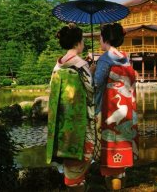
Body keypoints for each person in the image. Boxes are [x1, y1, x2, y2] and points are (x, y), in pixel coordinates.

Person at [46, 23, 97, 192]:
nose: (83, 43)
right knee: (81, 158)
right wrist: (92, 71)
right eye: (82, 40)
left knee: (68, 158)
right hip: (80, 120)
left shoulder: (57, 66)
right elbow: (91, 93)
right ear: (77, 43)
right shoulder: (81, 65)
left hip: (62, 121)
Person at [93, 23, 138, 190]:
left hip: (108, 111)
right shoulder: (125, 58)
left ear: (105, 39)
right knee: (121, 164)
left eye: (100, 37)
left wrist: (91, 71)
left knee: (110, 163)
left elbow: (97, 85)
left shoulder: (105, 58)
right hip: (126, 111)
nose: (99, 40)